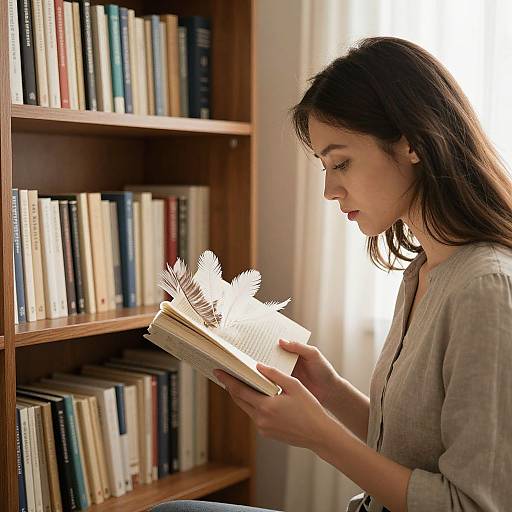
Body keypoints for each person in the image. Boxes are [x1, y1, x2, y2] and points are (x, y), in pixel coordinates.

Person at [152, 36, 512, 512]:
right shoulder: (424, 269)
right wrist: (331, 391)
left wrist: (321, 437)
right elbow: (413, 450)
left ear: (414, 144)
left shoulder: (486, 289)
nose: (328, 189)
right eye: (325, 166)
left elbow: (471, 506)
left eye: (340, 162)